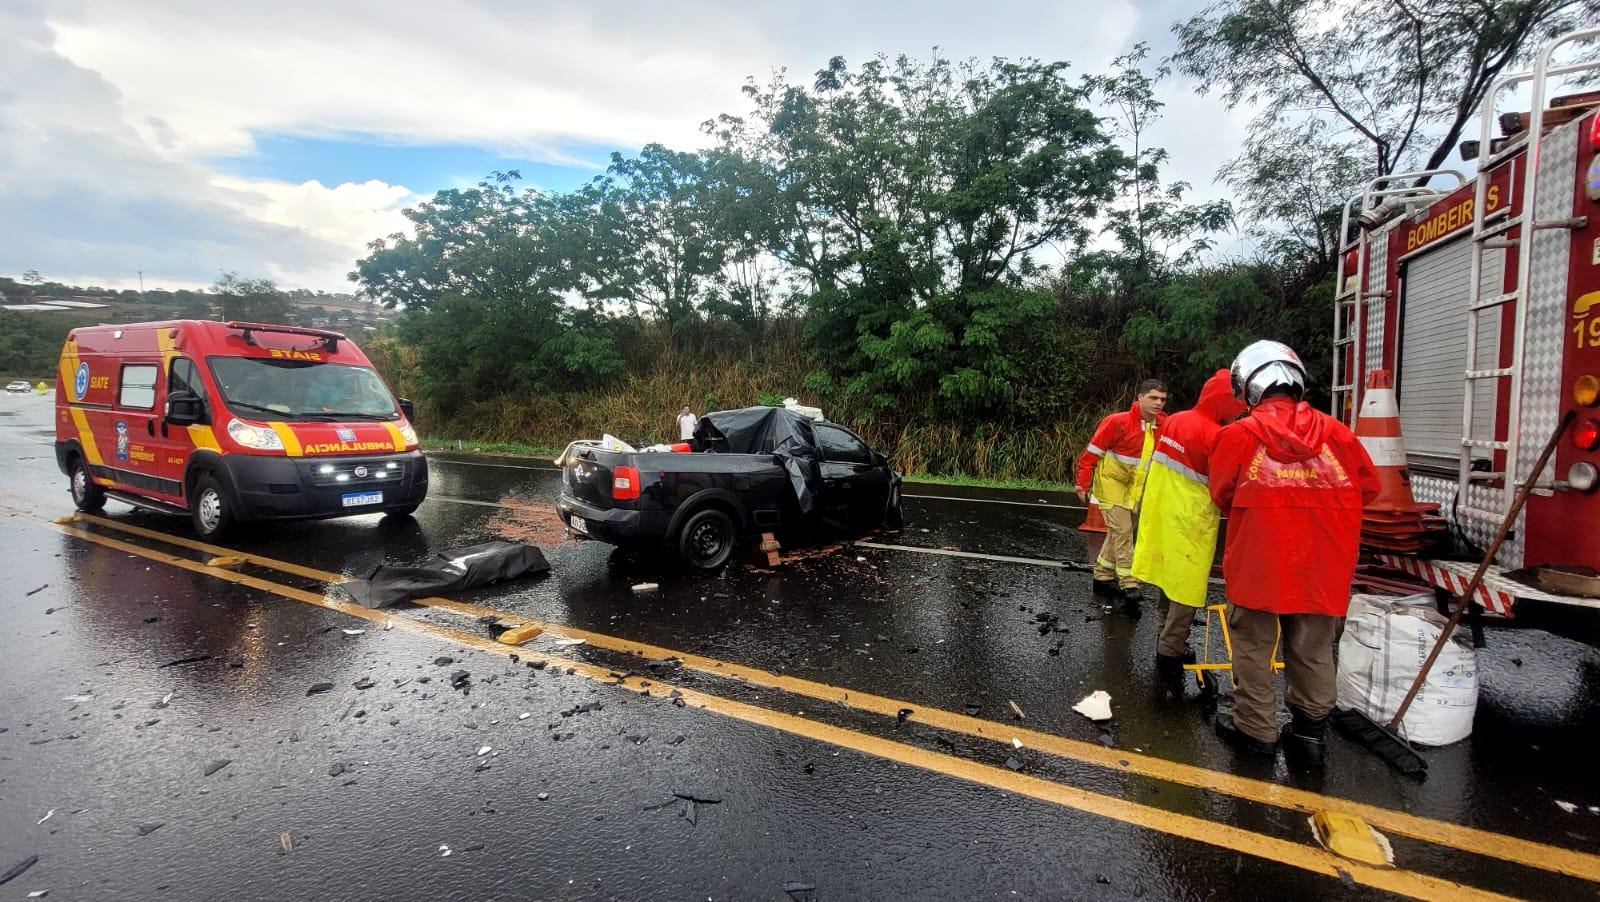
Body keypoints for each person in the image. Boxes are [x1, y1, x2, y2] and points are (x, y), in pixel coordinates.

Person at [1208, 340, 1379, 767]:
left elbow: (1222, 495)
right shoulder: (1338, 434)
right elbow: (1369, 488)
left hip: (1259, 563)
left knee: (1252, 647)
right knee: (1314, 649)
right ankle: (1309, 736)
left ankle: (1256, 731)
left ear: (1248, 386)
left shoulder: (1238, 435)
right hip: (1323, 566)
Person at [1130, 369, 1245, 679]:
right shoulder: (1216, 434)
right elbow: (1222, 488)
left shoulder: (1177, 419)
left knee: (1170, 581)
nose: (1241, 409)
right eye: (1237, 403)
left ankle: (1163, 637)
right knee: (1186, 588)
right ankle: (1170, 653)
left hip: (1162, 514)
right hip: (1191, 522)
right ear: (1224, 402)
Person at [1075, 380, 1168, 610]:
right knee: (1124, 532)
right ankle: (1129, 583)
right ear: (1140, 397)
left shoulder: (1163, 425)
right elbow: (1091, 453)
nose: (1159, 403)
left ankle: (1103, 576)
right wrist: (1082, 483)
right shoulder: (1117, 422)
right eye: (1153, 398)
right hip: (1111, 485)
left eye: (1163, 399)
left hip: (1136, 489)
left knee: (1119, 532)